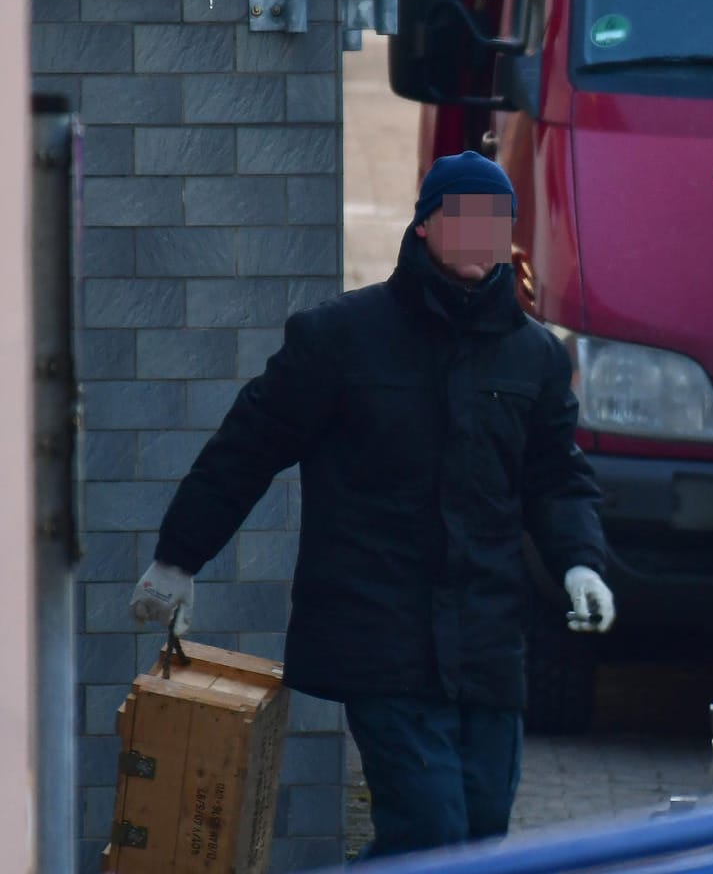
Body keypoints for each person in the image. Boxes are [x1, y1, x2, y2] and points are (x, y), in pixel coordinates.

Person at [127, 150, 616, 857]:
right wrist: (177, 559)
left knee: (481, 839)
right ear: (424, 227)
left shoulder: (532, 356)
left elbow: (558, 478)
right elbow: (247, 447)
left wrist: (580, 562)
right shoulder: (342, 339)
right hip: (378, 635)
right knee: (433, 836)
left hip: (487, 644)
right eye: (464, 219)